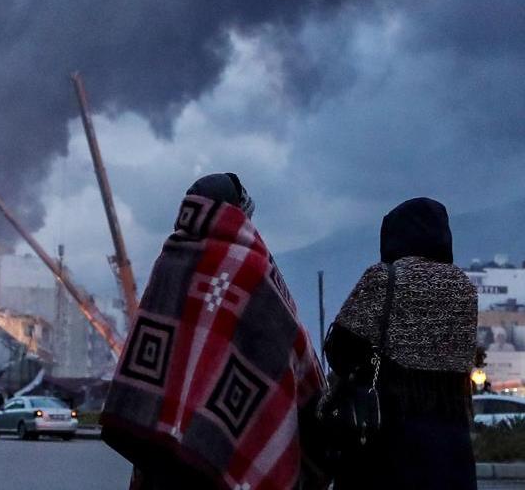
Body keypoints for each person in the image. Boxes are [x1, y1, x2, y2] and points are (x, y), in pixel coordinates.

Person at [102, 173, 325, 490]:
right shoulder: (253, 267)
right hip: (226, 450)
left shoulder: (170, 259)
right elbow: (288, 351)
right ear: (237, 211)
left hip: (161, 456)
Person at [326, 197, 479, 490]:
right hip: (451, 440)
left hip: (387, 435)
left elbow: (340, 350)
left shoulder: (384, 278)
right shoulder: (465, 289)